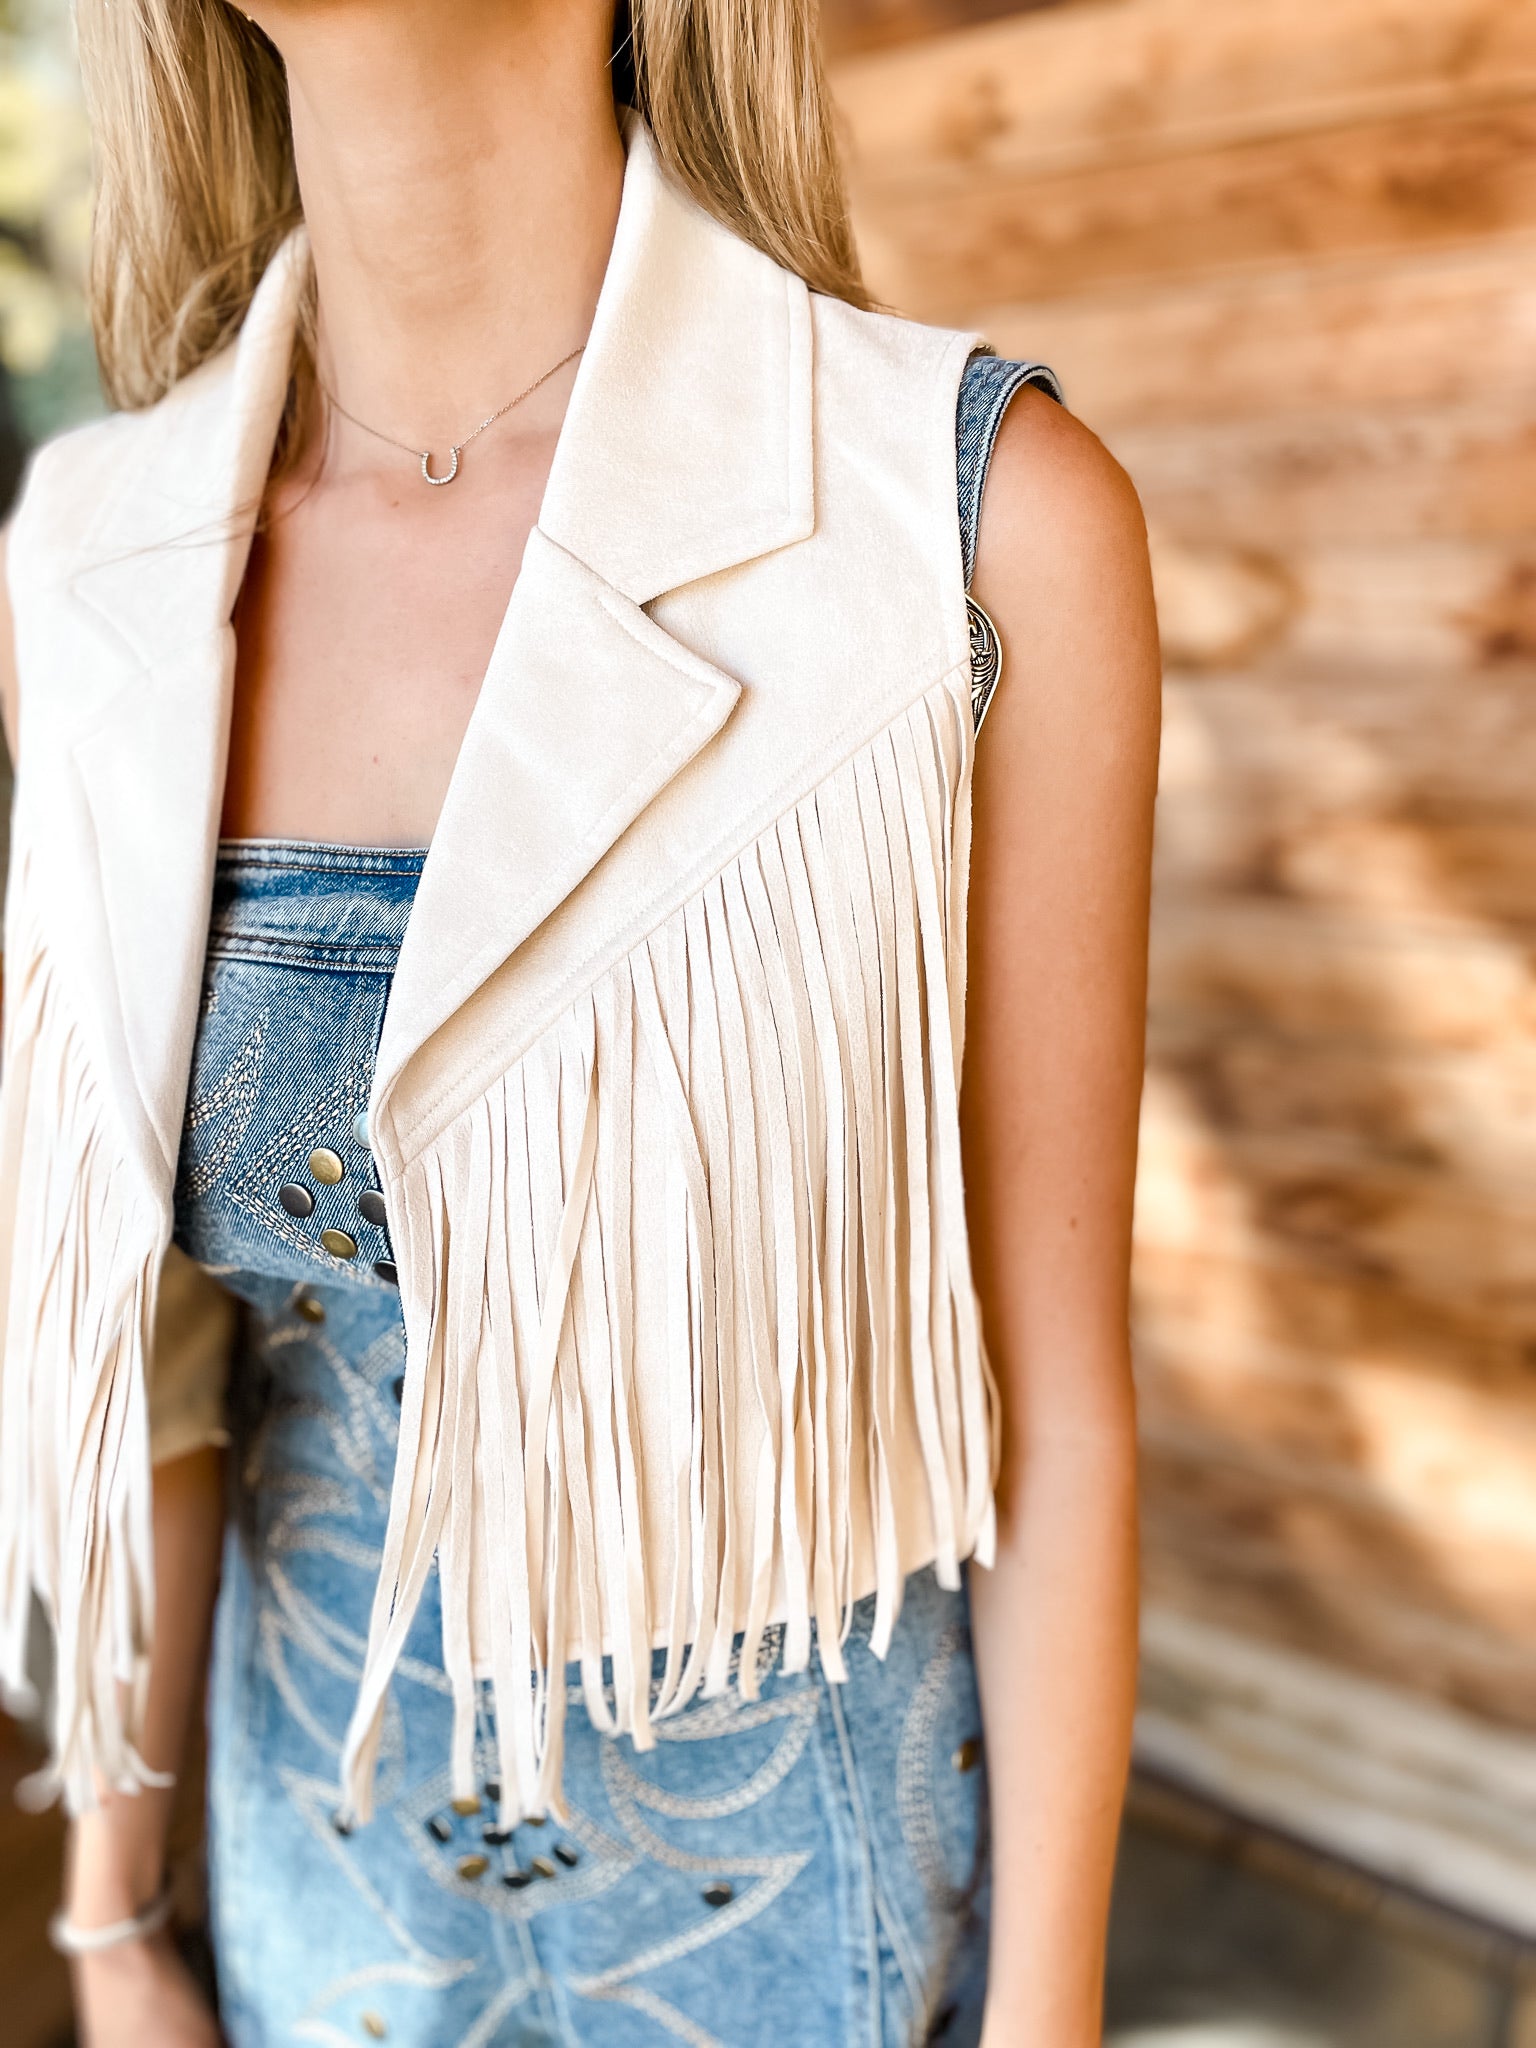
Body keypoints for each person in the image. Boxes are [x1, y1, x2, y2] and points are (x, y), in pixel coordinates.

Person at [0, 0, 1159, 2041]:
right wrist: (113, 1924)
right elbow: (151, 1355)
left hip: (821, 1948)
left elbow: (1049, 1415)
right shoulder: (91, 567)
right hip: (312, 1939)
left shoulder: (970, 528)